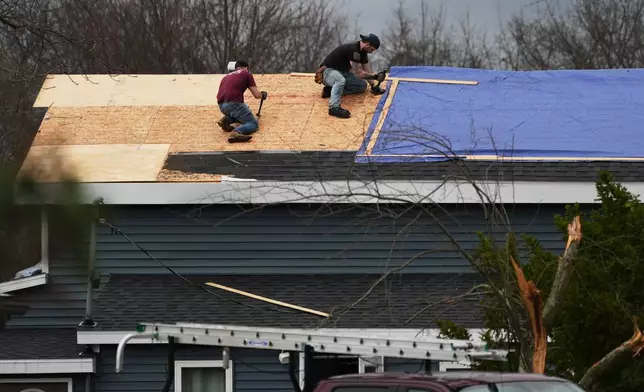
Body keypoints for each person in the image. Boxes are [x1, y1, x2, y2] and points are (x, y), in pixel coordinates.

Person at [316, 34, 387, 119]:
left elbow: (366, 69)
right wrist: (375, 77)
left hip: (342, 73)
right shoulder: (354, 50)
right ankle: (333, 108)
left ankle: (329, 91)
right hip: (327, 72)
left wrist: (373, 86)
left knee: (362, 85)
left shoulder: (363, 52)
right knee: (340, 80)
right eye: (372, 49)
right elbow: (358, 73)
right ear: (367, 44)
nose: (371, 52)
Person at [216, 60, 268, 138]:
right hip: (234, 103)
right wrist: (262, 95)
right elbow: (256, 95)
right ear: (246, 68)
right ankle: (236, 132)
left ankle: (227, 120)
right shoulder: (246, 73)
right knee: (253, 124)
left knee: (241, 112)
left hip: (221, 105)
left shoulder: (226, 76)